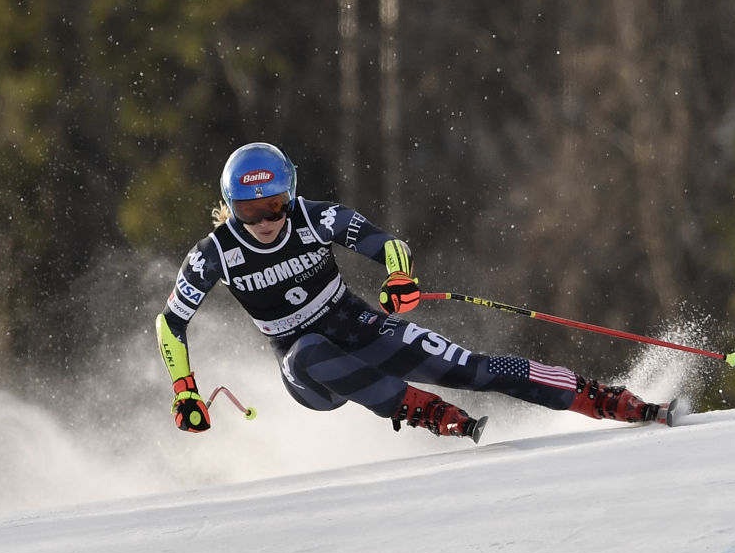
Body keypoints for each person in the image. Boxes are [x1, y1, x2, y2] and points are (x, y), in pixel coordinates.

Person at [155, 143, 668, 443]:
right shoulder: (216, 253)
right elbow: (170, 323)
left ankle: (604, 399)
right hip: (309, 372)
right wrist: (184, 389)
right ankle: (422, 409)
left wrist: (400, 280)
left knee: (475, 369)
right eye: (250, 210)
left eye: (275, 206)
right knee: (308, 351)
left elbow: (387, 245)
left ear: (291, 196)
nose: (267, 221)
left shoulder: (315, 218)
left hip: (359, 328)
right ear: (230, 207)